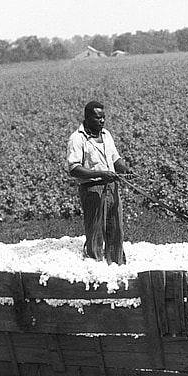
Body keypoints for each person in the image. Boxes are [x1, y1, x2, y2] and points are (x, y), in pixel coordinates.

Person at [66, 101, 130, 264]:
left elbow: (115, 159)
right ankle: (95, 265)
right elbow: (74, 168)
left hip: (111, 187)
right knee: (96, 230)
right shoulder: (77, 139)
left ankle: (116, 264)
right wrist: (100, 174)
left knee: (115, 227)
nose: (102, 121)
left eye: (103, 118)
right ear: (87, 118)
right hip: (92, 189)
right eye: (97, 118)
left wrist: (125, 169)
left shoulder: (106, 135)